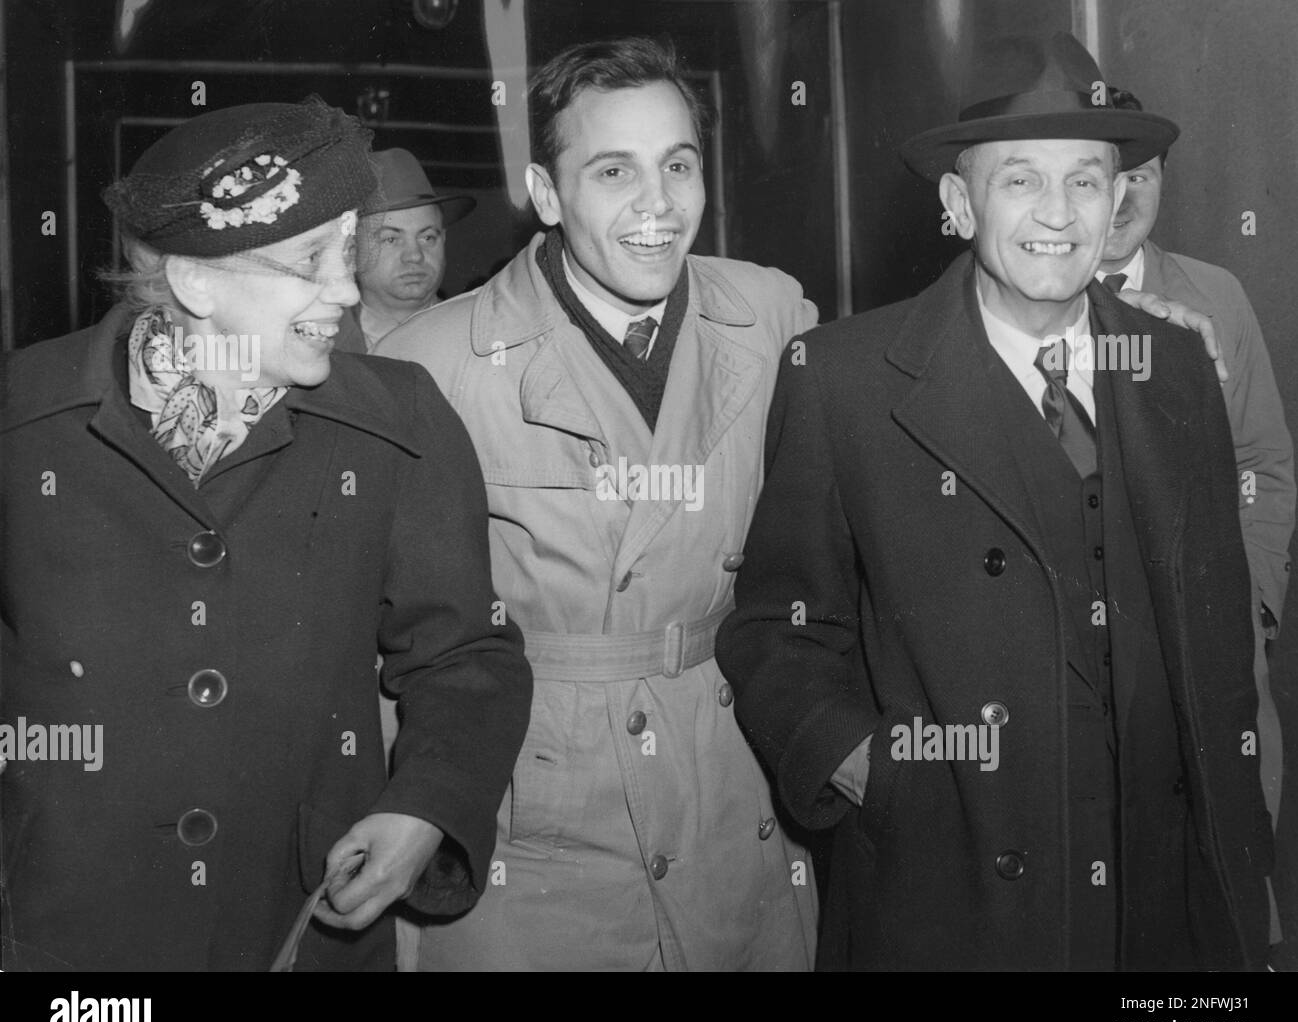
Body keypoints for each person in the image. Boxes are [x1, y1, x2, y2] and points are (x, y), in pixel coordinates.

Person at [716, 32, 1273, 971]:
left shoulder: (1178, 365)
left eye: (1088, 181)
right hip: (954, 895)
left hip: (1160, 902)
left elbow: (1215, 648)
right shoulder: (844, 381)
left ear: (1119, 197)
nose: (1059, 214)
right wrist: (865, 766)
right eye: (1020, 180)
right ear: (956, 200)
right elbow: (778, 625)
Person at [0, 97, 531, 971]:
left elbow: (467, 655)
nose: (346, 289)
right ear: (194, 279)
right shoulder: (26, 420)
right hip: (72, 940)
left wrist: (426, 806)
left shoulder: (399, 421)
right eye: (309, 260)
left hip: (301, 924)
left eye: (348, 249)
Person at [375, 37, 819, 970]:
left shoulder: (772, 315)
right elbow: (392, 639)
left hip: (730, 791)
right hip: (533, 820)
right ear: (546, 194)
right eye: (614, 171)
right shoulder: (433, 364)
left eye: (679, 166)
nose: (657, 205)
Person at [1097, 88, 1297, 967]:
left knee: (1209, 924)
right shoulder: (1011, 305)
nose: (1126, 196)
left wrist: (1248, 605)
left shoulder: (1214, 295)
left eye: (1145, 174)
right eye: (1109, 174)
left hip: (1209, 668)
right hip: (1094, 675)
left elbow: (1264, 467)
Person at [334, 147, 476, 353]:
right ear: (351, 249)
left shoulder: (476, 338)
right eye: (391, 239)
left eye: (427, 237)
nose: (415, 256)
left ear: (444, 239)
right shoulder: (323, 344)